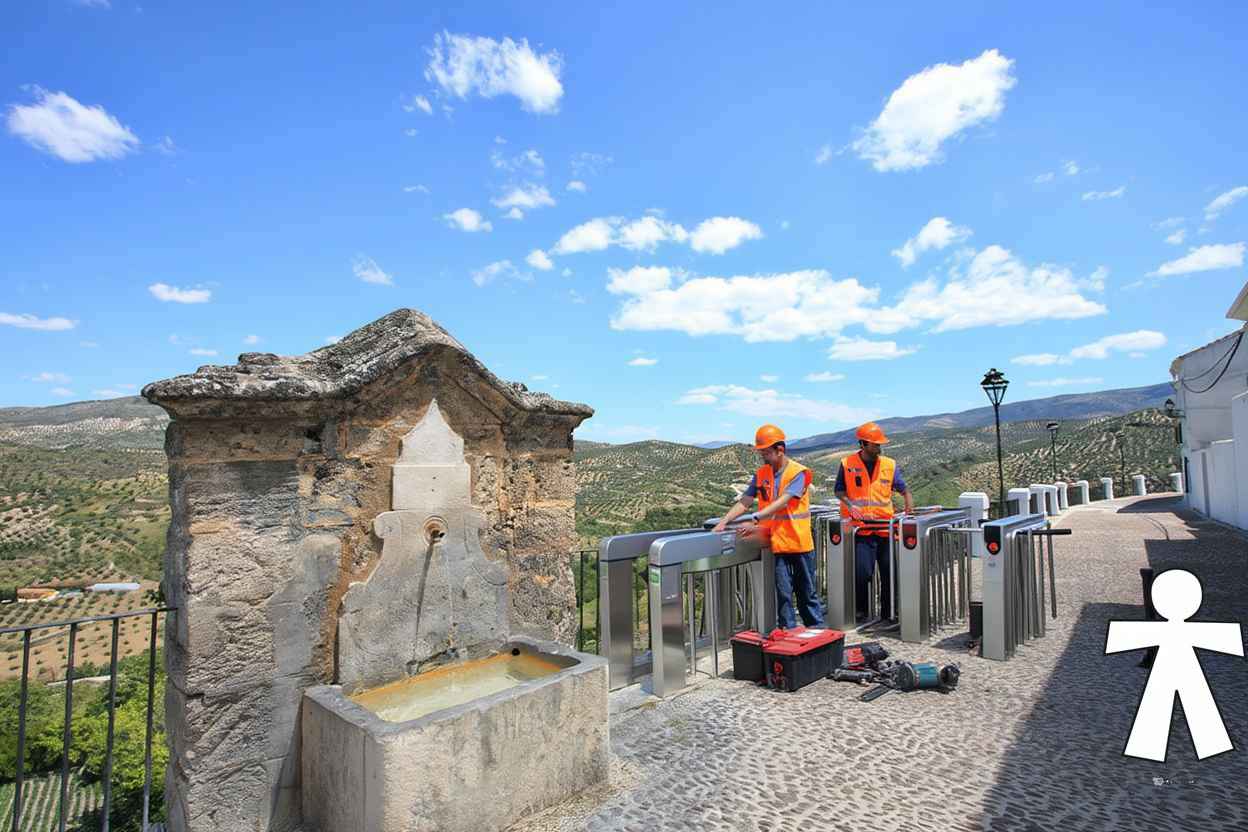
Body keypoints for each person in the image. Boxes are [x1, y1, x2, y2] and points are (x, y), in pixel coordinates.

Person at [713, 424, 823, 629]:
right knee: (783, 594)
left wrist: (755, 517)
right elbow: (745, 500)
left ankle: (817, 633)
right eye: (761, 451)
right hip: (775, 542)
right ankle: (788, 633)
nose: (762, 455)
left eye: (765, 452)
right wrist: (724, 520)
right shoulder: (761, 474)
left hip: (799, 542)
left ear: (780, 450)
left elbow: (784, 501)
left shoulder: (799, 473)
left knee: (806, 592)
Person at [834, 422, 913, 622]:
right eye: (875, 444)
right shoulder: (847, 464)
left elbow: (904, 489)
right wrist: (851, 506)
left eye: (880, 444)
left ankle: (890, 612)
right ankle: (862, 609)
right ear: (863, 444)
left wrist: (908, 507)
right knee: (862, 572)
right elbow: (839, 490)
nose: (879, 447)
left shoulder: (889, 465)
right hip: (861, 529)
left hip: (886, 528)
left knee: (889, 573)